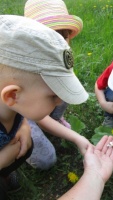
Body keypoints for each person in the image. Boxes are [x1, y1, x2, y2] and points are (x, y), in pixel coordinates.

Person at [0, 14, 90, 199]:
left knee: (27, 144)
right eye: (53, 96)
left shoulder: (14, 106)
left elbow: (27, 117)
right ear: (12, 96)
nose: (59, 101)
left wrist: (24, 125)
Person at [24, 0, 84, 170]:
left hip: (41, 105)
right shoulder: (24, 68)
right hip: (22, 115)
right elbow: (37, 115)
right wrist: (75, 137)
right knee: (46, 160)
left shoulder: (62, 57)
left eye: (62, 36)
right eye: (47, 36)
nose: (57, 43)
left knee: (67, 87)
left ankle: (56, 118)